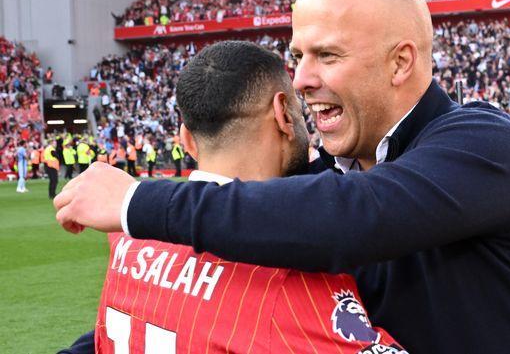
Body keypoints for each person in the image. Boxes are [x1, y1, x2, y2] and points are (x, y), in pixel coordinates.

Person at [55, 0, 510, 353]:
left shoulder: (484, 144)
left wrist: (137, 202)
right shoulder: (319, 181)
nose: (300, 79)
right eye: (298, 56)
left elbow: (354, 218)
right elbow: (204, 300)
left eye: (327, 55)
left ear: (400, 62)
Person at [61, 41, 406, 354]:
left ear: (186, 140)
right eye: (300, 111)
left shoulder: (127, 241)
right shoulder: (288, 277)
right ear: (283, 114)